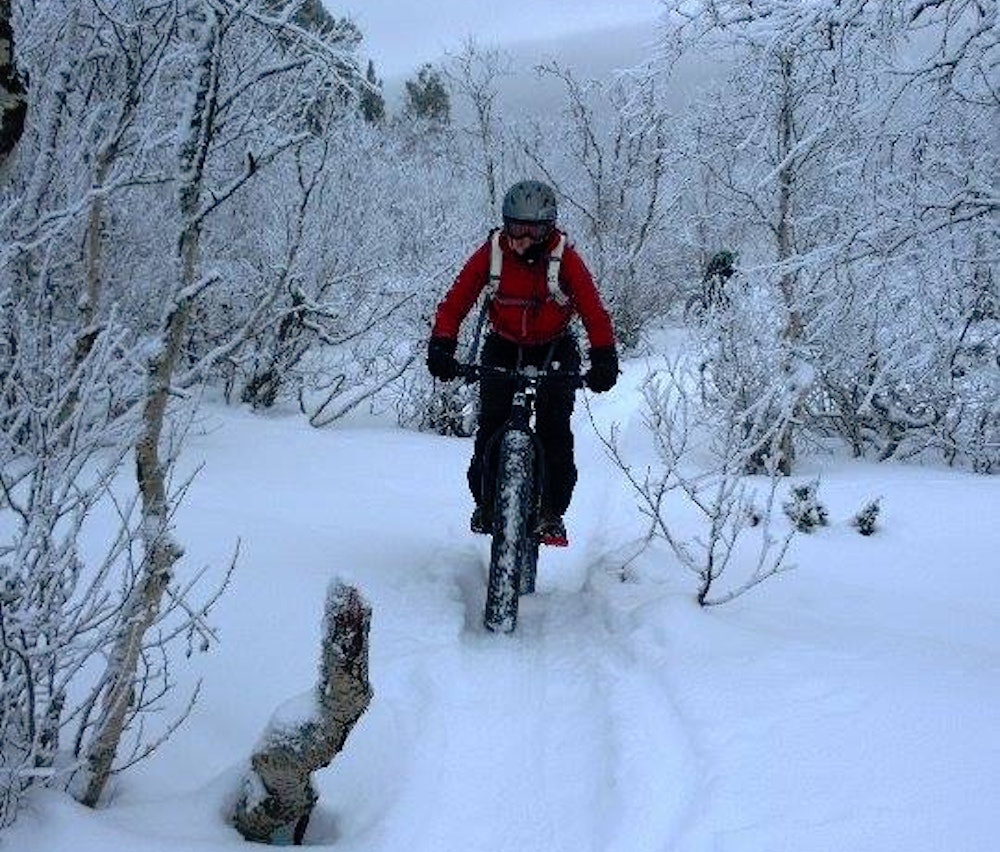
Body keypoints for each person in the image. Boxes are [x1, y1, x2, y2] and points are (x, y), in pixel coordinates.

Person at [426, 179, 619, 546]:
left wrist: (604, 356)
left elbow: (594, 311)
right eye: (516, 227)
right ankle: (486, 503)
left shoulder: (567, 258)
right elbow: (455, 302)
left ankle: (551, 510)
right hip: (504, 344)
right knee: (491, 426)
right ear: (505, 223)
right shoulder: (492, 253)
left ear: (548, 229)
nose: (522, 238)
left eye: (533, 230)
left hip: (554, 347)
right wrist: (442, 344)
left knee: (554, 429)